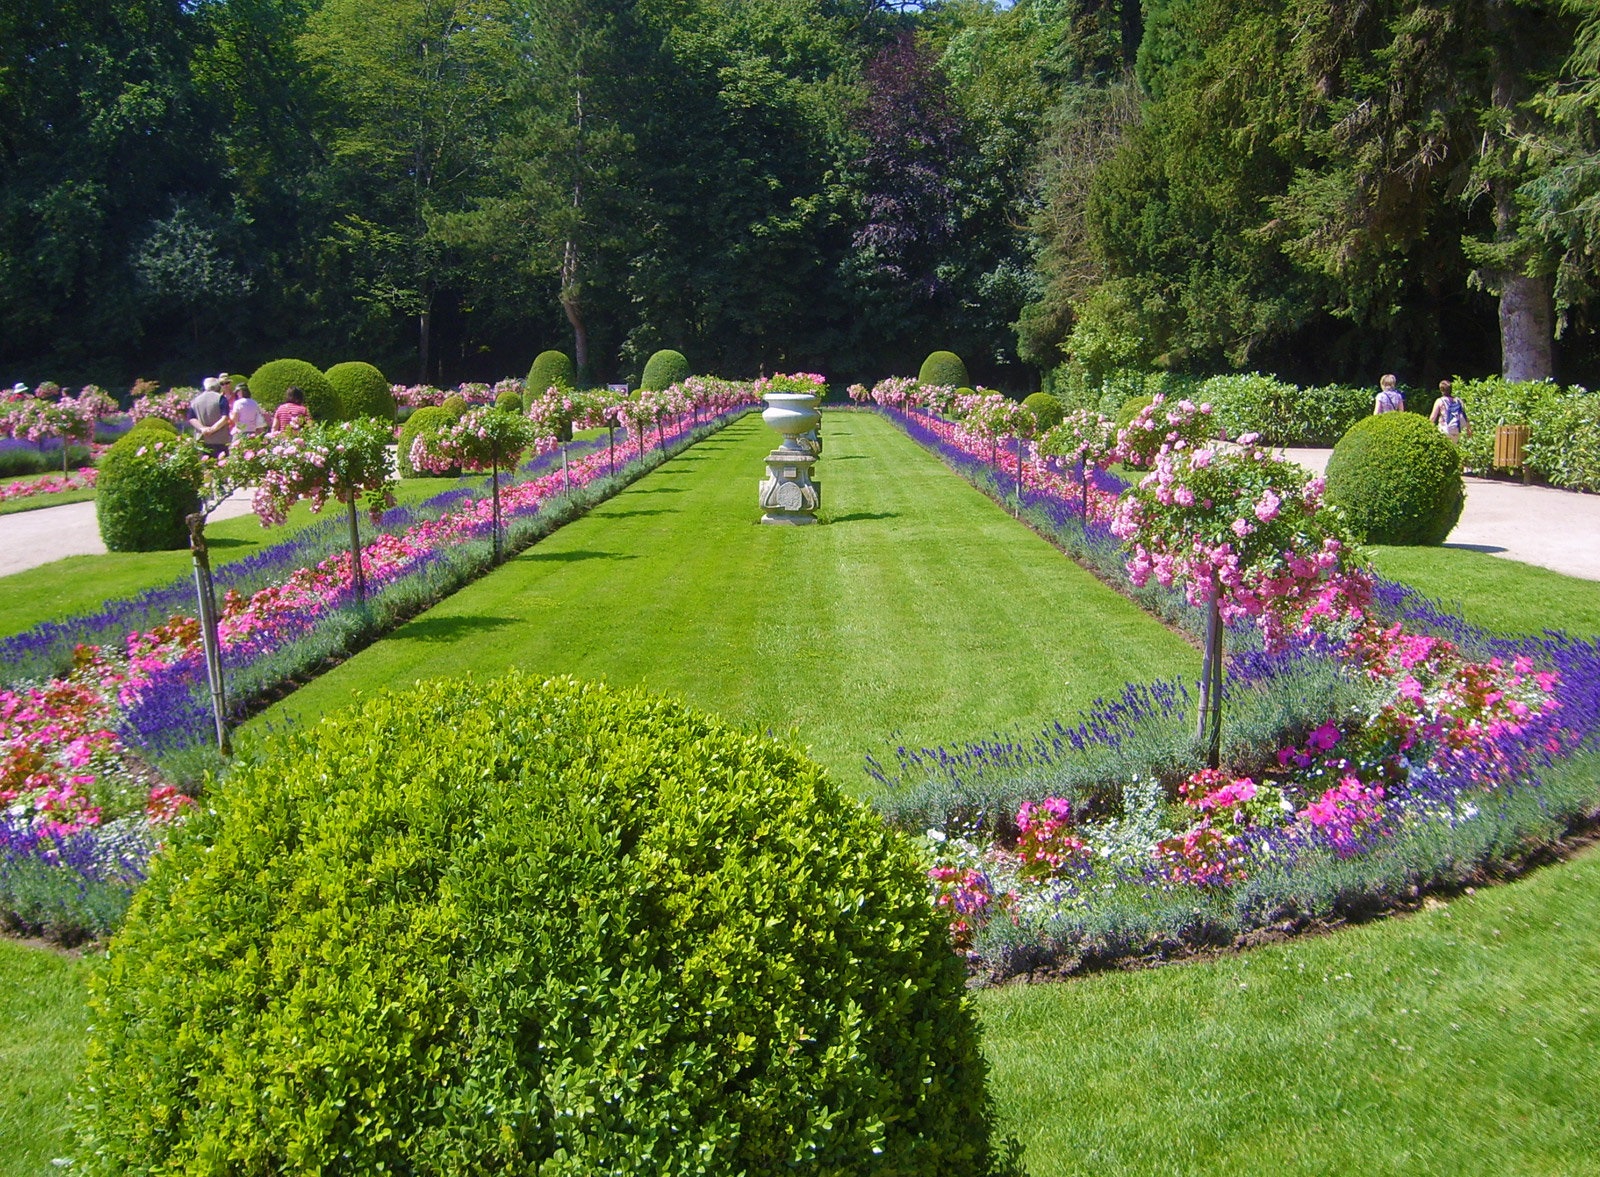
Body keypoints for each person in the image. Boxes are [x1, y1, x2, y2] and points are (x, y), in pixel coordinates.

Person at [189, 377, 233, 455]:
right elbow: (225, 418)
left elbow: (191, 418)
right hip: (220, 439)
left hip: (202, 439)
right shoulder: (221, 398)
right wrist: (212, 429)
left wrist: (202, 429)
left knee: (204, 461)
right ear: (217, 387)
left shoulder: (195, 400)